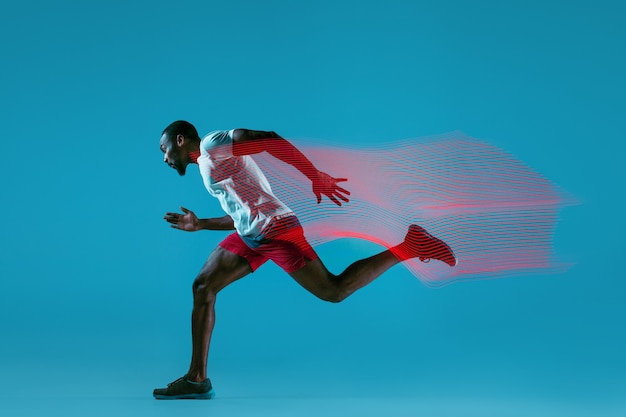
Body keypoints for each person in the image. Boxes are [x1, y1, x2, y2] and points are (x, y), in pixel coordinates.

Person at [153, 120, 456, 399]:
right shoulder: (208, 163)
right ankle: (197, 380)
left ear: (180, 140)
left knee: (334, 291)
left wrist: (315, 176)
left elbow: (268, 138)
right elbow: (239, 216)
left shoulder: (211, 145)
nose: (165, 159)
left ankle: (411, 245)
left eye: (165, 150)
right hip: (252, 235)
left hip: (277, 232)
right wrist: (201, 224)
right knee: (203, 286)